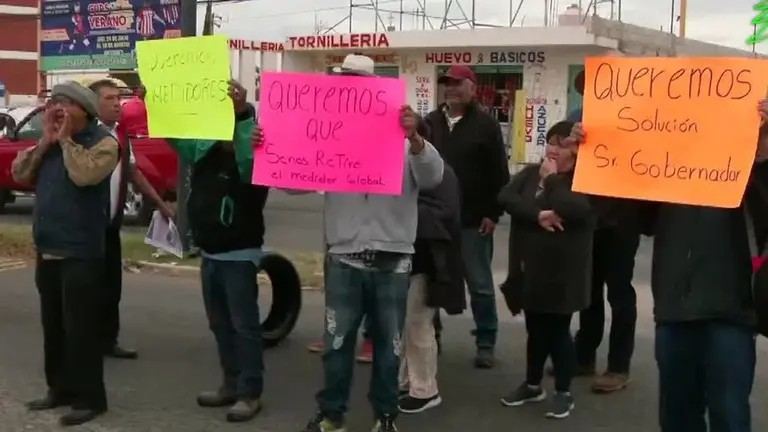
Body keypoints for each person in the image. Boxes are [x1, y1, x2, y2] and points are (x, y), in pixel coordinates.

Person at [259, 53, 444, 432]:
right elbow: (294, 182)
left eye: (357, 80)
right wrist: (268, 148)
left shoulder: (402, 132)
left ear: (374, 85)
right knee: (337, 344)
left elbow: (433, 177)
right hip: (344, 254)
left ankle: (385, 415)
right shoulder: (330, 129)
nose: (351, 86)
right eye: (345, 79)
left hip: (393, 258)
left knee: (389, 348)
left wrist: (415, 140)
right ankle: (332, 414)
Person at [569, 100, 768, 431]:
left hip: (731, 313)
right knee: (677, 414)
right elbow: (619, 212)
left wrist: (761, 157)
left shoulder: (747, 170)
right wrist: (592, 157)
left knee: (729, 414)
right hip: (674, 312)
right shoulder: (667, 174)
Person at [11, 81, 118, 426]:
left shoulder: (104, 143)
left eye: (64, 104)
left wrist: (67, 139)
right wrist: (45, 142)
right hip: (48, 248)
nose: (55, 110)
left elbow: (85, 175)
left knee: (81, 329)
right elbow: (20, 173)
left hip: (81, 252)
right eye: (52, 104)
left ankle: (91, 398)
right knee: (53, 326)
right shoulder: (52, 142)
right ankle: (59, 388)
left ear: (83, 109)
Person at [164, 79, 268, 423]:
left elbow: (247, 158)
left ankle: (250, 393)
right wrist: (159, 104)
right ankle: (231, 384)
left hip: (239, 254)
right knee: (220, 324)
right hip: (210, 253)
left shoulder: (252, 162)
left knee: (244, 326)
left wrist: (241, 115)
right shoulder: (205, 154)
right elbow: (176, 137)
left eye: (231, 125)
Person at [497, 120, 595, 420]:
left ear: (576, 152)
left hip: (563, 275)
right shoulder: (529, 174)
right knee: (535, 330)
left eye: (561, 145)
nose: (552, 150)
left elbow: (577, 209)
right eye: (550, 142)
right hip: (530, 269)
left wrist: (551, 183)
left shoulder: (582, 181)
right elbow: (506, 198)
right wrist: (537, 213)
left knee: (557, 332)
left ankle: (563, 391)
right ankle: (532, 383)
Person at [423, 65, 510, 368]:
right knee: (431, 280)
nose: (452, 88)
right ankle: (430, 337)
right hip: (434, 219)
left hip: (474, 219)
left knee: (480, 284)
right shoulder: (430, 122)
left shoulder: (485, 125)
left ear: (472, 88)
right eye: (448, 83)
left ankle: (486, 340)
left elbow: (500, 173)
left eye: (459, 83)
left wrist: (493, 212)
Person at [563, 70, 641, 392]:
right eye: (590, 88)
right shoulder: (577, 120)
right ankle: (583, 357)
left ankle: (619, 366)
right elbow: (563, 167)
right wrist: (573, 145)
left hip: (623, 219)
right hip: (587, 218)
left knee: (620, 293)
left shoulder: (639, 120)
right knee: (588, 292)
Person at [88, 79, 174, 360]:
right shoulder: (86, 136)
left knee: (112, 288)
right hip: (87, 228)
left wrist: (160, 204)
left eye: (118, 99)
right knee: (86, 289)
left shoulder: (121, 136)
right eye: (109, 99)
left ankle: (107, 341)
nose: (117, 104)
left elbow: (135, 173)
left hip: (110, 227)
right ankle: (84, 344)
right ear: (93, 103)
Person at [398, 163, 464, 414]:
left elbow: (444, 212)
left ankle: (425, 390)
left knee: (418, 324)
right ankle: (408, 381)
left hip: (428, 262)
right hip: (414, 260)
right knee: (408, 324)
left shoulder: (440, 172)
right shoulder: (423, 169)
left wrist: (400, 208)